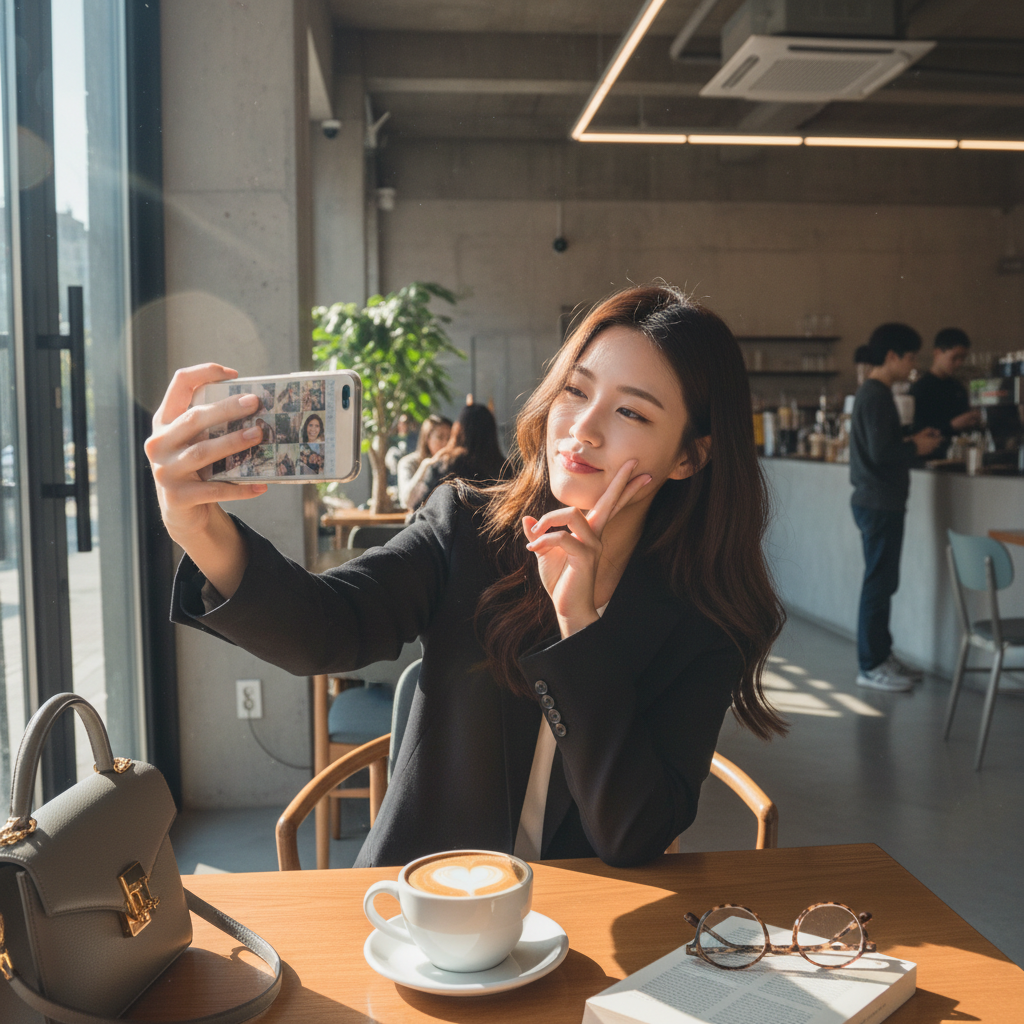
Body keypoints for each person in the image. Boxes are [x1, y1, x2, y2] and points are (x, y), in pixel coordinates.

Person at [145, 284, 786, 869]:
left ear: (689, 456)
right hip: (417, 912)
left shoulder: (704, 620)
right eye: (577, 390)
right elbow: (326, 630)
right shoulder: (470, 528)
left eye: (632, 414)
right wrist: (198, 527)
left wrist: (579, 624)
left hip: (576, 937)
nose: (582, 430)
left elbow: (632, 833)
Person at [849, 324, 942, 693]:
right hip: (879, 502)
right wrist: (915, 448)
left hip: (880, 502)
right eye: (910, 356)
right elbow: (881, 453)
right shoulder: (875, 394)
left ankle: (880, 656)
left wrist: (909, 441)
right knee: (878, 584)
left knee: (883, 582)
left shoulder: (876, 392)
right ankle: (871, 665)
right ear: (892, 356)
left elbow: (881, 446)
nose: (913, 364)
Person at [405, 402, 506, 511]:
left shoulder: (445, 465)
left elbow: (419, 506)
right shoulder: (506, 468)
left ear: (458, 429)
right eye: (440, 437)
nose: (445, 442)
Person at [909, 328, 982, 455]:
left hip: (957, 453)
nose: (959, 363)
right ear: (937, 353)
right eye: (955, 358)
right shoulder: (920, 388)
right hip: (932, 456)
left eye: (963, 358)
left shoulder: (957, 387)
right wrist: (952, 425)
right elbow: (917, 430)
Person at [397, 414, 452, 508]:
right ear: (427, 438)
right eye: (440, 437)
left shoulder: (452, 464)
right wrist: (425, 467)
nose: (446, 443)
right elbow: (406, 502)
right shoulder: (408, 463)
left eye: (449, 438)